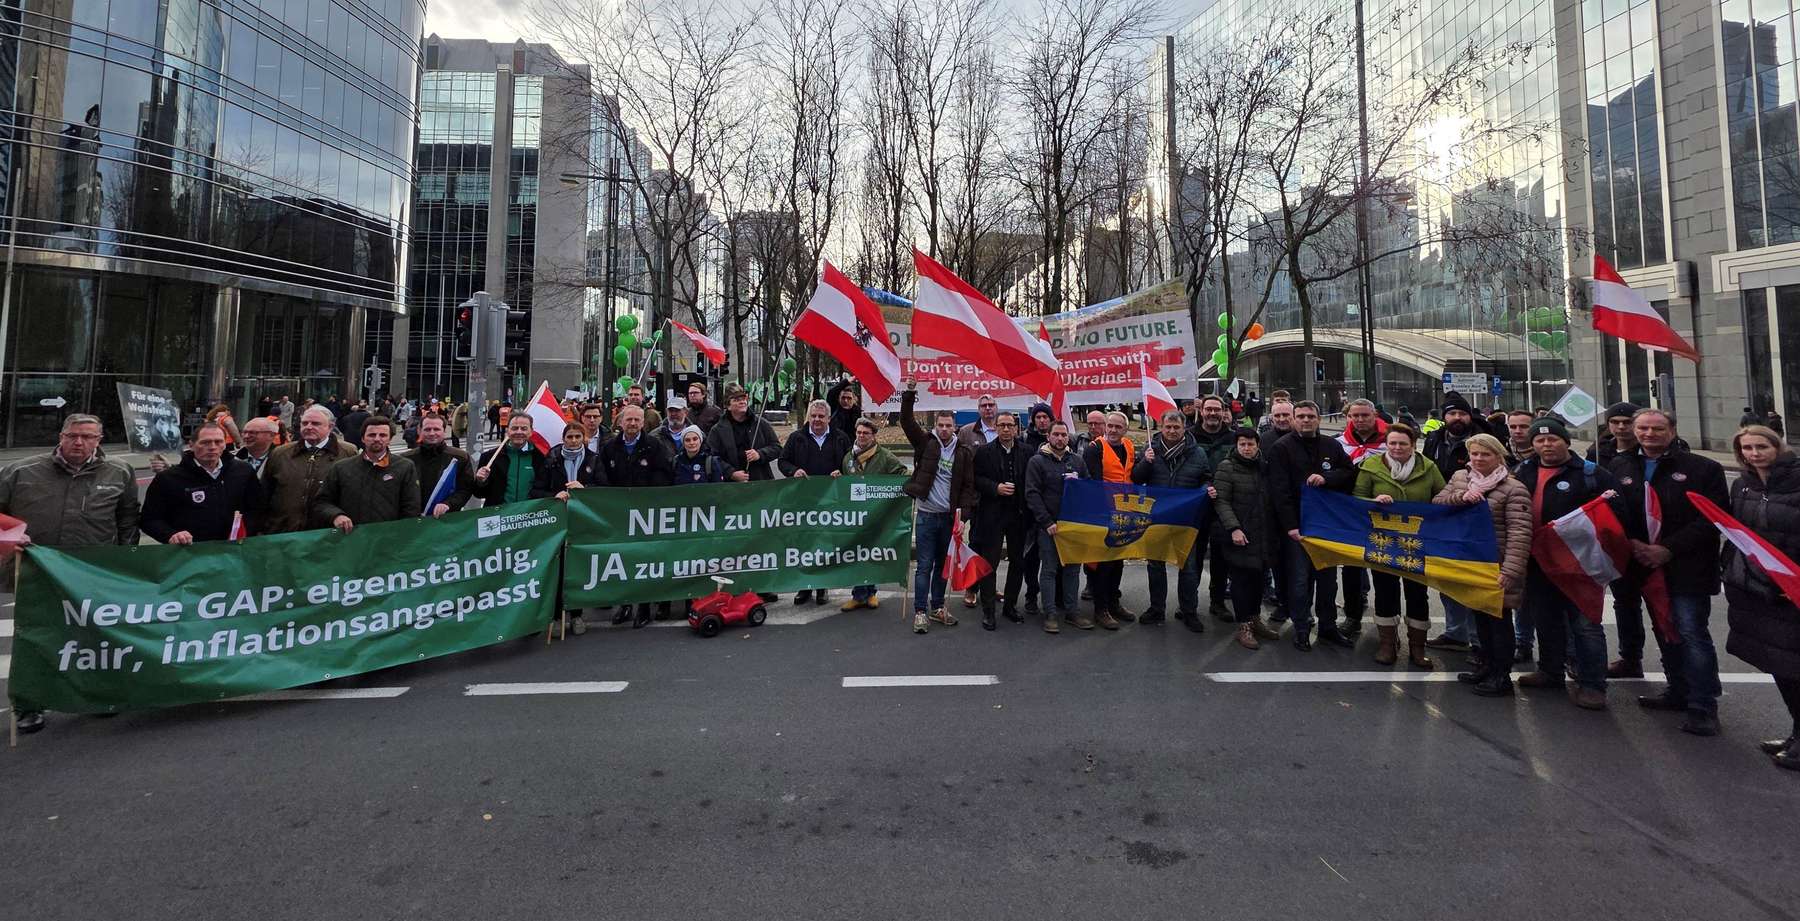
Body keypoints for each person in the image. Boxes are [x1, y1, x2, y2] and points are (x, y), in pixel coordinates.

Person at [0, 414, 141, 734]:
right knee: (33, 639)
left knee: (93, 637)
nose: (79, 442)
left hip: (90, 573)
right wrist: (9, 538)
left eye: (88, 437)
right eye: (73, 435)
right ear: (61, 436)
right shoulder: (20, 471)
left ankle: (98, 696)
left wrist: (123, 564)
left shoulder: (119, 471)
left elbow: (128, 520)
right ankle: (28, 705)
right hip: (35, 570)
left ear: (99, 440)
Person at [1609, 408, 1728, 736]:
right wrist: (1631, 543)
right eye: (1643, 428)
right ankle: (1678, 690)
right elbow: (1613, 511)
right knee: (1664, 629)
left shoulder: (1703, 469)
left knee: (1690, 632)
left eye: (1657, 428)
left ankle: (1703, 704)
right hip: (1641, 565)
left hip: (1687, 566)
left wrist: (1668, 549)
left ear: (1672, 430)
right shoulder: (1620, 466)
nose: (1649, 434)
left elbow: (1713, 519)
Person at [1515, 418, 1617, 710]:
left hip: (1578, 563)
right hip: (1538, 561)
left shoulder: (1591, 474)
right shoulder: (1523, 470)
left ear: (1566, 442)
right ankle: (1550, 671)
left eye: (1553, 440)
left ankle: (1593, 684)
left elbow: (1613, 513)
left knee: (1585, 625)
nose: (1547, 445)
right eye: (1540, 441)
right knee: (1546, 619)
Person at [1721, 426, 1800, 769]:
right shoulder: (1744, 485)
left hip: (1793, 588)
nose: (1755, 453)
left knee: (1796, 666)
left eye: (1761, 446)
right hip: (1760, 588)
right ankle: (1797, 733)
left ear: (1777, 446)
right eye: (1748, 448)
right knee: (1779, 665)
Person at [1433, 433, 1532, 696]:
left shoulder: (1514, 488)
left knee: (1499, 621)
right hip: (1470, 562)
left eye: (1485, 454)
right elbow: (1438, 503)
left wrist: (1511, 570)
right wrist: (1461, 497)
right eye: (1474, 453)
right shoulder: (1460, 478)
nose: (1478, 459)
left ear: (1498, 456)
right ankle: (1486, 666)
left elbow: (1519, 534)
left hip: (1497, 564)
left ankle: (1502, 675)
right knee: (1480, 619)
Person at [1353, 423, 1446, 668]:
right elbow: (1356, 498)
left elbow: (1442, 496)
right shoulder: (1371, 467)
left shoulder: (1428, 467)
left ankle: (1417, 647)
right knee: (1385, 591)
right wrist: (1373, 500)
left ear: (1413, 445)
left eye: (1402, 443)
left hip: (1417, 542)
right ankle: (1387, 643)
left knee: (1417, 594)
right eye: (1392, 443)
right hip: (1382, 541)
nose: (1396, 448)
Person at [1267, 400, 1357, 651]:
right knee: (1299, 580)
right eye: (1301, 416)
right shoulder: (1281, 448)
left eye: (1310, 416)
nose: (1306, 420)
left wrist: (1327, 478)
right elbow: (1279, 491)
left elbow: (1349, 474)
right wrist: (1290, 526)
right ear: (1294, 419)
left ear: (1319, 419)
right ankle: (1302, 627)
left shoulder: (1332, 446)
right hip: (1298, 526)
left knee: (1328, 579)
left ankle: (1328, 626)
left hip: (1326, 526)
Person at [899, 381, 977, 633]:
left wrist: (964, 516)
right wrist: (909, 394)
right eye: (940, 425)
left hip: (949, 518)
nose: (944, 429)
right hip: (926, 516)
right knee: (923, 566)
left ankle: (937, 607)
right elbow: (906, 421)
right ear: (935, 427)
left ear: (955, 428)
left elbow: (968, 487)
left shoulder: (963, 452)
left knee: (943, 566)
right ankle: (920, 612)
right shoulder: (926, 444)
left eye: (948, 426)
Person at [1132, 408, 1213, 630]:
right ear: (1161, 427)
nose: (1172, 431)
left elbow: (1206, 477)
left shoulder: (1197, 453)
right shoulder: (1151, 450)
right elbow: (1136, 479)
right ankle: (1156, 609)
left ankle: (1189, 611)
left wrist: (1206, 488)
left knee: (1188, 568)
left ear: (1184, 428)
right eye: (1168, 426)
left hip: (1185, 519)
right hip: (1156, 518)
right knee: (1155, 566)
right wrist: (1145, 463)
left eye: (1176, 427)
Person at [599, 404, 674, 627]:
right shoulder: (610, 447)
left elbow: (665, 472)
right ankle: (625, 604)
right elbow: (603, 477)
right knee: (623, 559)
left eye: (637, 420)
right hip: (620, 513)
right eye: (629, 420)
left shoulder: (654, 445)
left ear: (643, 422)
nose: (632, 424)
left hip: (646, 512)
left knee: (645, 559)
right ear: (621, 422)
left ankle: (643, 606)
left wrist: (648, 495)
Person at [1210, 427, 1283, 649]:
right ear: (1236, 445)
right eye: (1242, 444)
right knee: (1241, 582)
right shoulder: (1227, 467)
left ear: (1257, 445)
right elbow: (1221, 501)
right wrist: (1234, 528)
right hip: (1239, 534)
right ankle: (1244, 626)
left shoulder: (1265, 468)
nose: (1246, 448)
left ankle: (1255, 618)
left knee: (1259, 580)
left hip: (1263, 534)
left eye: (1250, 444)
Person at [780, 400, 854, 606]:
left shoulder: (841, 438)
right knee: (805, 544)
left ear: (828, 418)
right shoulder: (797, 438)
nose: (816, 420)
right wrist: (793, 471)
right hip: (804, 502)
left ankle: (822, 586)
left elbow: (852, 463)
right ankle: (805, 586)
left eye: (821, 416)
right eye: (813, 416)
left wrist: (843, 471)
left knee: (825, 545)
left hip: (831, 501)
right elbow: (783, 461)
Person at [140, 422, 264, 544]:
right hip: (189, 553)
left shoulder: (243, 471)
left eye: (218, 442)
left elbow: (256, 509)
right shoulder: (168, 478)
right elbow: (150, 520)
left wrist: (246, 531)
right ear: (191, 445)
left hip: (234, 550)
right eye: (205, 442)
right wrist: (171, 535)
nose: (212, 447)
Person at [970, 411, 1034, 630]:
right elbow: (975, 479)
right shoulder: (984, 452)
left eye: (1010, 425)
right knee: (990, 563)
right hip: (993, 515)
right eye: (1002, 425)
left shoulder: (1027, 451)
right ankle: (988, 610)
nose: (1006, 429)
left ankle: (1010, 606)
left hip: (1018, 515)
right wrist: (995, 488)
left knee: (1018, 562)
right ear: (995, 427)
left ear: (1016, 428)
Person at [1025, 420, 1087, 633]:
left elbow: (1088, 490)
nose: (1060, 438)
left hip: (1072, 528)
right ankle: (1050, 612)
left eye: (1063, 435)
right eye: (1056, 434)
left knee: (1072, 570)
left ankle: (1072, 611)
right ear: (1048, 437)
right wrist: (1047, 521)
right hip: (1049, 527)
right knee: (1049, 570)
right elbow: (1032, 494)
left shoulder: (1078, 462)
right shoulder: (1037, 462)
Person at [840, 417, 908, 611]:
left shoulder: (885, 456)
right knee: (857, 554)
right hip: (855, 515)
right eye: (859, 432)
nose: (862, 436)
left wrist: (887, 490)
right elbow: (844, 483)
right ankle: (858, 594)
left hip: (877, 513)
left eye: (866, 433)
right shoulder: (848, 458)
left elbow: (902, 473)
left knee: (872, 553)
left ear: (873, 436)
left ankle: (871, 593)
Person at [1080, 411, 1139, 629]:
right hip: (1102, 514)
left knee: (1117, 561)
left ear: (1125, 429)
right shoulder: (1094, 449)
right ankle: (1101, 608)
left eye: (1118, 427)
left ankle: (1114, 602)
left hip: (1124, 514)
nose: (1113, 430)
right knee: (1101, 563)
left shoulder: (1129, 447)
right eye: (1110, 426)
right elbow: (1093, 484)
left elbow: (1134, 475)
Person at [1335, 398, 1388, 635]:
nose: (1359, 420)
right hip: (1350, 514)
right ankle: (1353, 616)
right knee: (1351, 568)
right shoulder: (1338, 444)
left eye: (1365, 416)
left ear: (1374, 414)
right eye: (1355, 416)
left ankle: (1388, 621)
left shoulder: (1391, 443)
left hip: (1383, 516)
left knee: (1384, 569)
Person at [313, 416, 421, 531]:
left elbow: (411, 508)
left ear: (390, 439)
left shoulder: (405, 467)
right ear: (363, 438)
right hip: (350, 538)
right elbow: (322, 501)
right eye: (372, 435)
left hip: (388, 539)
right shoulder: (341, 468)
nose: (377, 439)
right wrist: (336, 515)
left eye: (383, 435)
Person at [262, 406, 358, 532]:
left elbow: (353, 494)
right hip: (283, 533)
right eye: (305, 423)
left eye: (316, 423)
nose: (309, 427)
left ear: (330, 426)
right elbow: (265, 493)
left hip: (326, 533)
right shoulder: (281, 453)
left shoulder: (347, 452)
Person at [704, 383, 782, 482]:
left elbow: (777, 448)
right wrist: (730, 473)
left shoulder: (761, 424)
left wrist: (760, 454)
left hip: (760, 483)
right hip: (731, 487)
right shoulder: (717, 430)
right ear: (728, 406)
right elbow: (711, 457)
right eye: (736, 400)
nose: (742, 402)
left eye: (743, 399)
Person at [413, 413, 476, 518]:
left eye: (436, 429)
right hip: (413, 521)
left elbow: (465, 489)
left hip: (448, 519)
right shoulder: (407, 459)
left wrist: (448, 504)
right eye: (427, 429)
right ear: (419, 431)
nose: (432, 433)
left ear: (444, 431)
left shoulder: (460, 457)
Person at [476, 415, 546, 507]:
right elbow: (479, 493)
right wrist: (481, 482)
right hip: (499, 516)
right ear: (507, 430)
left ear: (531, 432)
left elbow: (545, 490)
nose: (519, 432)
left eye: (524, 428)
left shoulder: (541, 457)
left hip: (530, 516)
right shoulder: (490, 457)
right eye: (514, 428)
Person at [1421, 392, 1478, 477]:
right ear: (1444, 417)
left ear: (1470, 417)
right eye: (1452, 413)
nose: (1457, 417)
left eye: (1463, 414)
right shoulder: (1433, 439)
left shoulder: (1482, 441)